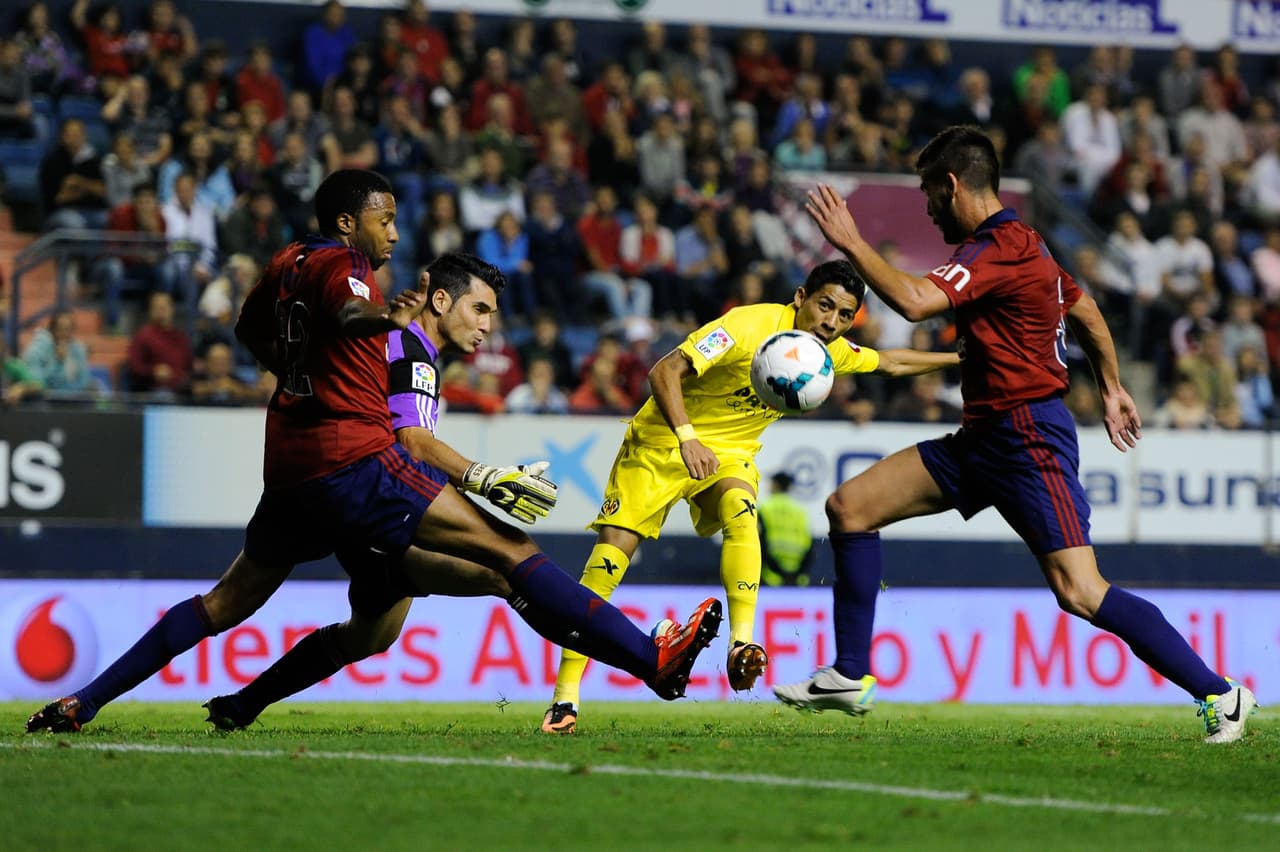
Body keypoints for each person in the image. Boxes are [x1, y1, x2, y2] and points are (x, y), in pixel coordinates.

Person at [26, 172, 722, 735]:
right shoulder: (369, 296)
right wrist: (478, 472)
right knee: (509, 555)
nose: (393, 231)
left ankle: (95, 701)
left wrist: (294, 371)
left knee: (276, 614)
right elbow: (405, 428)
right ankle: (651, 658)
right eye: (383, 219)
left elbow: (247, 325)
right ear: (348, 224)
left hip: (292, 472)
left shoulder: (290, 261)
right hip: (355, 466)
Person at [777, 126, 1256, 744]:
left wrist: (850, 240)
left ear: (953, 185)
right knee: (850, 507)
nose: (928, 209)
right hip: (983, 437)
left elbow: (917, 301)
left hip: (1028, 437)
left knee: (1081, 591)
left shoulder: (997, 248)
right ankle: (848, 673)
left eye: (930, 194)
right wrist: (1110, 386)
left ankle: (1222, 693)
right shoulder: (1026, 244)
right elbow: (1084, 310)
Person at [541, 259, 960, 735]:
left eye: (845, 315)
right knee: (608, 564)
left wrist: (960, 360)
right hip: (661, 443)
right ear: (800, 298)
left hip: (730, 454)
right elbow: (664, 371)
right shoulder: (745, 327)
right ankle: (565, 697)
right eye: (825, 306)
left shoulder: (826, 352)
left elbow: (890, 362)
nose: (831, 322)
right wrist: (687, 437)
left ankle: (741, 643)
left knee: (742, 513)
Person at [757, 471, 812, 587]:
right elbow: (809, 546)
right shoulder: (799, 511)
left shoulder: (765, 508)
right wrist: (797, 573)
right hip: (797, 577)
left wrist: (779, 571)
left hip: (771, 575)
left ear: (775, 485)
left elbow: (760, 543)